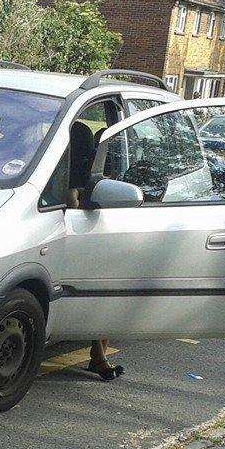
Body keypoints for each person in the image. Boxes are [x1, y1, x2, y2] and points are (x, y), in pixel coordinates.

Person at [68, 122, 125, 382]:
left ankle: (99, 355)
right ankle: (98, 355)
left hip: (98, 235)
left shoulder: (88, 172)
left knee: (108, 290)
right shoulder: (81, 172)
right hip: (86, 238)